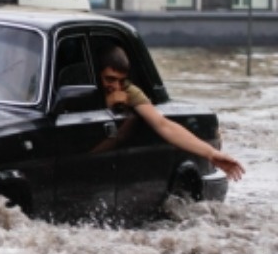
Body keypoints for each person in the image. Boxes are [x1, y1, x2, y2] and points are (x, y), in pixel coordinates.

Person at [98, 45, 245, 181]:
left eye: (121, 80)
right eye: (110, 79)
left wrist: (212, 154)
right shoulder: (79, 85)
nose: (116, 86)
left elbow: (163, 125)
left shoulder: (128, 91)